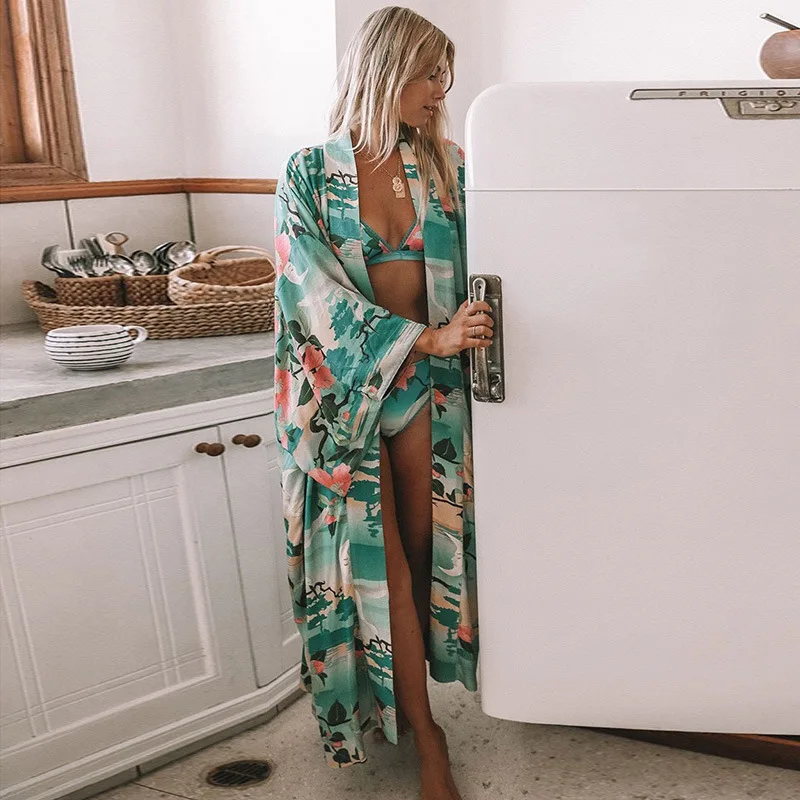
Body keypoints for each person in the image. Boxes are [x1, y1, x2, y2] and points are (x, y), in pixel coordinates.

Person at [273, 6, 493, 798]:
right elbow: (307, 292)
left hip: (433, 394)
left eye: (445, 76)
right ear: (385, 70)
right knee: (380, 565)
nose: (441, 91)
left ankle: (423, 707)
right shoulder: (308, 172)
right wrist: (425, 338)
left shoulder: (449, 167)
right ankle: (428, 737)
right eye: (429, 74)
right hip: (348, 403)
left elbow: (501, 264)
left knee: (432, 557)